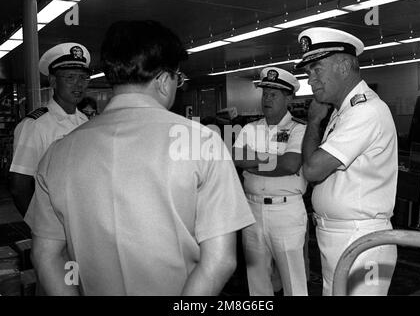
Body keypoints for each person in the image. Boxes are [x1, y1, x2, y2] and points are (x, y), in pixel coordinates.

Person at [25, 20, 255, 296]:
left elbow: (47, 256)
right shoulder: (202, 142)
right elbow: (220, 261)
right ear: (162, 80)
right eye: (177, 79)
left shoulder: (58, 153)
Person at [298, 27, 398, 296]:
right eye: (308, 73)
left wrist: (313, 121)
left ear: (344, 66)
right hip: (340, 237)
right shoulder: (344, 111)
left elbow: (312, 169)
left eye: (317, 68)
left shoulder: (365, 111)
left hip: (362, 241)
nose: (311, 80)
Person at [232, 67, 308, 296]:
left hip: (286, 210)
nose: (267, 98)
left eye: (273, 94)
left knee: (293, 280)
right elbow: (237, 158)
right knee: (257, 279)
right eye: (265, 93)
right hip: (252, 210)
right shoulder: (250, 128)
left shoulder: (299, 128)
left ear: (289, 97)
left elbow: (290, 165)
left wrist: (254, 163)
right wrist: (274, 161)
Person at [9, 42, 91, 216]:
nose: (78, 84)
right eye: (70, 77)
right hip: (53, 222)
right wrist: (38, 226)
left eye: (83, 78)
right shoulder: (35, 126)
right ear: (53, 81)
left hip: (82, 218)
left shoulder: (84, 121)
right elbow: (19, 185)